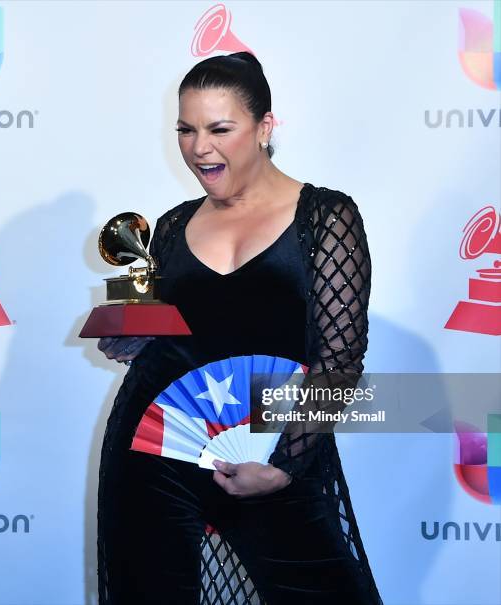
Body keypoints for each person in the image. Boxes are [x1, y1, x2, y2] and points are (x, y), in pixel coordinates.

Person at [96, 51, 383, 605]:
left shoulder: (324, 217)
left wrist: (282, 468)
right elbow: (179, 337)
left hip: (276, 452)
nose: (199, 147)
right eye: (186, 129)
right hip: (153, 455)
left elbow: (341, 362)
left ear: (264, 127)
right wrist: (134, 337)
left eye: (220, 128)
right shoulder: (174, 227)